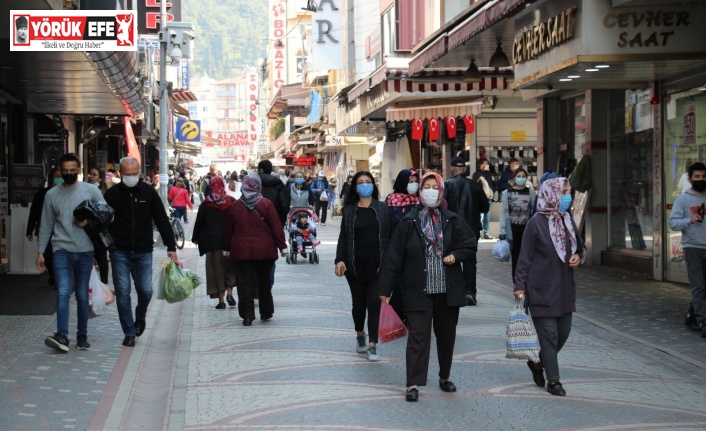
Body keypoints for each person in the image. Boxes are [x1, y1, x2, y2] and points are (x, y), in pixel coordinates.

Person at [379, 172, 476, 402]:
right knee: (418, 338)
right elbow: (394, 257)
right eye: (427, 186)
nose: (431, 190)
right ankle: (413, 383)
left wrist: (455, 256)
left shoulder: (452, 219)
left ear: (441, 191)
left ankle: (444, 377)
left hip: (447, 290)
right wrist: (385, 289)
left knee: (446, 336)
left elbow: (470, 244)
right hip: (416, 289)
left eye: (435, 186)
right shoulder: (408, 222)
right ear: (421, 191)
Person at [513, 177, 584, 397]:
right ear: (551, 193)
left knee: (564, 332)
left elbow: (581, 247)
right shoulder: (536, 222)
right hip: (541, 289)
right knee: (549, 335)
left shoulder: (567, 220)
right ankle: (554, 380)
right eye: (563, 192)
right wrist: (519, 286)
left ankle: (538, 362)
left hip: (564, 290)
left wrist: (578, 257)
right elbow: (524, 258)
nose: (566, 196)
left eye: (568, 192)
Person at [104, 157, 179, 347]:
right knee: (123, 291)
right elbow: (102, 222)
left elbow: (162, 219)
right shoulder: (112, 194)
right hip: (119, 251)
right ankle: (129, 331)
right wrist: (107, 245)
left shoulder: (148, 193)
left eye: (134, 174)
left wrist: (171, 247)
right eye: (127, 174)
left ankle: (140, 316)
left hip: (143, 250)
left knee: (146, 290)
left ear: (139, 173)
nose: (131, 177)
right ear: (121, 173)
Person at [37, 153, 105, 353]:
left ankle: (82, 335)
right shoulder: (51, 195)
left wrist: (88, 222)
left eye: (72, 171)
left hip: (85, 250)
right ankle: (62, 335)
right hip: (61, 250)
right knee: (63, 293)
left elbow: (107, 212)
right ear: (59, 169)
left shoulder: (90, 190)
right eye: (64, 171)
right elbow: (46, 224)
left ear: (79, 169)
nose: (68, 174)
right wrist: (41, 251)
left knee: (82, 295)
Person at [335, 171, 392, 362]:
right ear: (355, 187)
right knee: (359, 306)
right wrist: (339, 260)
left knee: (374, 305)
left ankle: (373, 344)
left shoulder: (383, 208)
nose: (365, 185)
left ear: (374, 185)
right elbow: (343, 237)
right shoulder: (350, 210)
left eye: (368, 182)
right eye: (361, 182)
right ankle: (360, 333)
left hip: (378, 266)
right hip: (354, 267)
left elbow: (393, 234)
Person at [222, 174, 287, 326]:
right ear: (258, 186)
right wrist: (282, 245)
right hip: (264, 251)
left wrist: (226, 248)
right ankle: (266, 311)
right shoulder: (266, 204)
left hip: (241, 251)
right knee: (264, 282)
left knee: (244, 283)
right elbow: (276, 227)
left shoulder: (235, 206)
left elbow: (228, 230)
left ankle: (247, 315)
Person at [443, 157, 488, 305]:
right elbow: (485, 207)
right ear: (465, 169)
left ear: (452, 169)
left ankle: (454, 292)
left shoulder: (448, 185)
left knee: (451, 259)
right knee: (470, 261)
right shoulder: (475, 185)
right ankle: (470, 292)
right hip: (471, 228)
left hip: (452, 228)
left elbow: (443, 208)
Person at [669, 162, 706, 337]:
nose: (701, 179)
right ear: (690, 179)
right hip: (693, 248)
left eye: (704, 177)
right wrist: (689, 220)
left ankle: (693, 315)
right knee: (698, 286)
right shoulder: (683, 200)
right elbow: (673, 223)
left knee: (703, 286)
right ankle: (703, 321)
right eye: (697, 177)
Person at [192, 177, 237, 310]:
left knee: (216, 271)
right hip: (229, 242)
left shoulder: (206, 204)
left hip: (212, 243)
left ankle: (221, 301)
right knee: (230, 268)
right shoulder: (231, 201)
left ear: (211, 187)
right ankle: (230, 293)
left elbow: (199, 223)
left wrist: (195, 238)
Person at [384, 169, 420, 322]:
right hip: (397, 249)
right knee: (398, 284)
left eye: (415, 182)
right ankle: (398, 315)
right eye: (409, 182)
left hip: (417, 250)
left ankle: (413, 315)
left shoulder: (421, 201)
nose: (413, 185)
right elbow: (386, 224)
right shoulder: (391, 200)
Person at [499, 167, 536, 283]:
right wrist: (502, 232)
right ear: (514, 178)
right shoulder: (507, 193)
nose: (521, 179)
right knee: (516, 257)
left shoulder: (530, 192)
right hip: (513, 230)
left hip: (527, 229)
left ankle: (527, 279)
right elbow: (503, 213)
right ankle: (517, 282)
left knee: (528, 255)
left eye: (523, 176)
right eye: (518, 176)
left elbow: (534, 211)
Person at [27, 166, 62, 286]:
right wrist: (29, 229)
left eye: (61, 177)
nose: (59, 179)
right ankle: (53, 273)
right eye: (57, 176)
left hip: (61, 229)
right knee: (47, 254)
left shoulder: (66, 193)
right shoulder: (42, 193)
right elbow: (34, 212)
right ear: (51, 178)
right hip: (44, 228)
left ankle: (58, 276)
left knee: (59, 254)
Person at [257, 160, 289, 227]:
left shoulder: (252, 182)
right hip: (275, 219)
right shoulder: (278, 183)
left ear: (261, 170)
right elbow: (284, 204)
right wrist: (281, 222)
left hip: (256, 219)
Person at [472, 158, 497, 239]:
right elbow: (474, 185)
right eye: (484, 164)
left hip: (489, 198)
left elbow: (493, 184)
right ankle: (478, 233)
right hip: (480, 199)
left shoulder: (489, 174)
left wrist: (493, 192)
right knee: (480, 216)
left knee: (487, 216)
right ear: (480, 165)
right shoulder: (476, 174)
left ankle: (486, 233)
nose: (486, 166)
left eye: (487, 164)